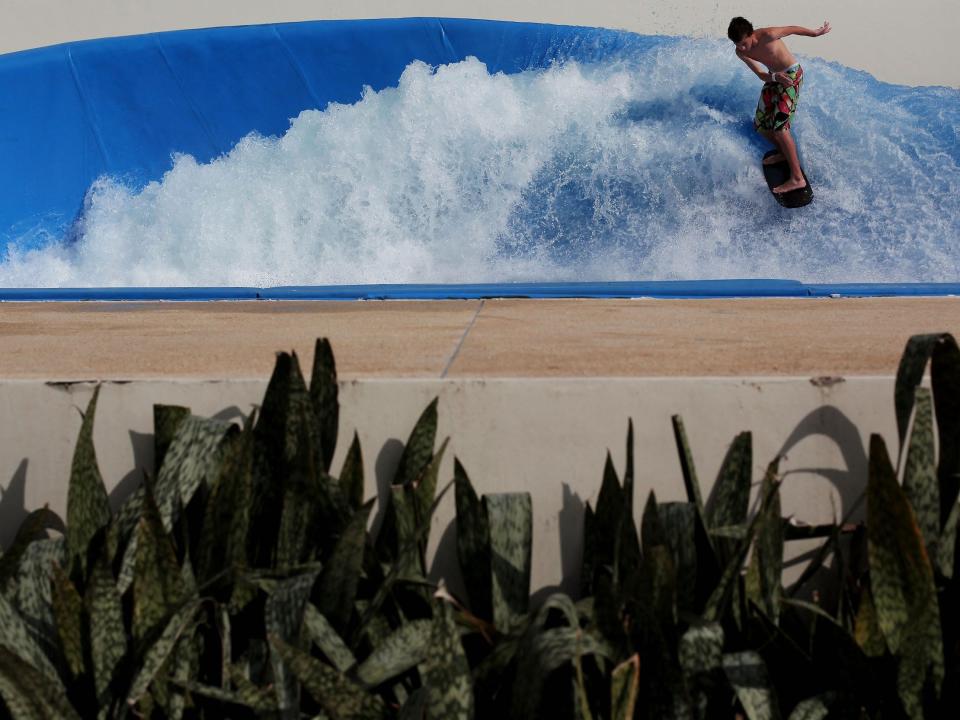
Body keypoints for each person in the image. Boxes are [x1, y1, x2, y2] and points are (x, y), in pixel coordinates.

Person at [727, 17, 831, 194]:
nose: (742, 48)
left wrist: (814, 33)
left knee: (780, 128)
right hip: (774, 77)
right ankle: (783, 152)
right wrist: (775, 77)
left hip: (791, 76)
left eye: (744, 43)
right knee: (760, 125)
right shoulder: (741, 52)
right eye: (738, 45)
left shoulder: (768, 35)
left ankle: (797, 179)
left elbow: (792, 28)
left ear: (751, 34)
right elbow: (761, 73)